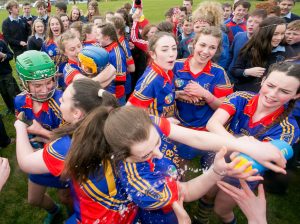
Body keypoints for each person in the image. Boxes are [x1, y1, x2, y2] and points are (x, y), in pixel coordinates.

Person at [206, 61, 300, 224]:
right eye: (270, 85)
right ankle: (201, 219)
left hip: (244, 172)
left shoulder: (289, 129)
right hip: (217, 157)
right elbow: (213, 124)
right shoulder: (240, 97)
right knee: (206, 195)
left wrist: (235, 146)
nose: (272, 94)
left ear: (296, 95)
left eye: (284, 91)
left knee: (221, 210)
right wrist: (245, 146)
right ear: (263, 80)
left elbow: (256, 161)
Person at [14, 51, 70, 224]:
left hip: (60, 160)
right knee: (34, 200)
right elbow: (22, 123)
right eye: (37, 85)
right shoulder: (20, 100)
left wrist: (41, 131)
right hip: (39, 156)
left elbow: (69, 144)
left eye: (49, 82)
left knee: (66, 197)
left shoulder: (63, 103)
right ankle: (54, 211)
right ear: (25, 84)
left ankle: (74, 217)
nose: (46, 89)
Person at [174, 26, 233, 162]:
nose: (206, 51)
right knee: (180, 164)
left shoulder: (219, 73)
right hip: (179, 128)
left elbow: (225, 108)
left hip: (206, 131)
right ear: (193, 44)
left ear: (217, 50)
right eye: (202, 45)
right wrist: (177, 94)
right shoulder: (176, 66)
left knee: (208, 166)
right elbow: (160, 96)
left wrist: (207, 95)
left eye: (212, 47)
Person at [231, 16, 296, 92]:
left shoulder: (288, 52)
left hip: (269, 95)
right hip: (244, 93)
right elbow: (234, 70)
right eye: (275, 34)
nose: (279, 37)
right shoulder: (250, 48)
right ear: (265, 33)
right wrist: (247, 72)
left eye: (282, 34)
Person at [127, 31, 177, 117]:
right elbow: (129, 112)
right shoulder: (152, 80)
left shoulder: (166, 70)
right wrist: (161, 123)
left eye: (174, 48)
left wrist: (178, 95)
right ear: (153, 54)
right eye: (165, 50)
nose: (171, 54)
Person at [227, 9, 267, 82]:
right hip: (230, 76)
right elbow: (230, 54)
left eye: (256, 22)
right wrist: (226, 69)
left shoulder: (263, 43)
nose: (251, 24)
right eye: (250, 21)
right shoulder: (238, 35)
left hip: (246, 81)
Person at [192, 1, 230, 69]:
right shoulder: (194, 35)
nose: (200, 27)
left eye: (204, 25)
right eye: (197, 25)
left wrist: (214, 71)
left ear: (212, 24)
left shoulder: (222, 36)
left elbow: (223, 58)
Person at [96, 23, 127, 105]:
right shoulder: (104, 48)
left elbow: (120, 80)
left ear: (106, 37)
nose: (96, 38)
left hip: (114, 97)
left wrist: (112, 97)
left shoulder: (116, 54)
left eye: (98, 35)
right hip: (105, 93)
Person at [41, 16, 67, 89]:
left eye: (57, 24)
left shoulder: (67, 40)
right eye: (52, 24)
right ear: (49, 27)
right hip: (53, 79)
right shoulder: (46, 44)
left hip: (67, 76)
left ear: (61, 25)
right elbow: (44, 62)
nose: (55, 26)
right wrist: (52, 74)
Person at [0, 39, 20, 113]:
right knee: (3, 92)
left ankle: (18, 107)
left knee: (11, 91)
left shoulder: (1, 43)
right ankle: (10, 108)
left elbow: (11, 55)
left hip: (6, 72)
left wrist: (4, 56)